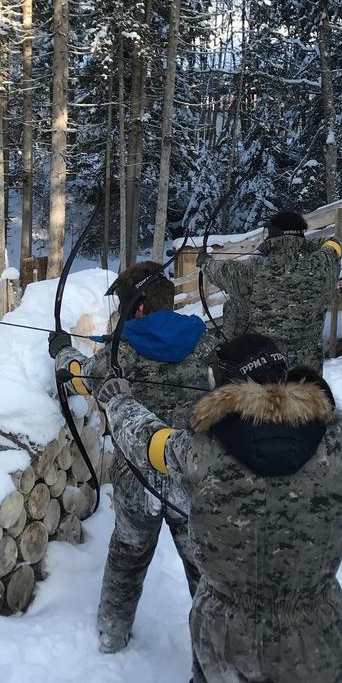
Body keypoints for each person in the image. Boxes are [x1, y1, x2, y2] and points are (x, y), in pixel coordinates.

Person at [98, 333, 342, 683]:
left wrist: (117, 401)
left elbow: (147, 441)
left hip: (225, 632)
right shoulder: (339, 446)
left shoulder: (197, 451)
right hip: (314, 629)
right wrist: (319, 409)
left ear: (223, 390)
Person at [50, 261, 214, 654]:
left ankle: (111, 636)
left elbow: (81, 376)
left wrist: (62, 351)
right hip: (189, 476)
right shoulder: (205, 343)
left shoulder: (119, 352)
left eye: (125, 306)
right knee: (205, 573)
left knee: (128, 557)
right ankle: (214, 654)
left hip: (137, 480)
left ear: (138, 309)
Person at [197, 211, 341, 372]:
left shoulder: (255, 269)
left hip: (267, 366)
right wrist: (302, 244)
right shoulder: (322, 265)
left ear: (273, 234)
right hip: (308, 370)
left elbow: (220, 272)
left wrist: (205, 261)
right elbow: (333, 244)